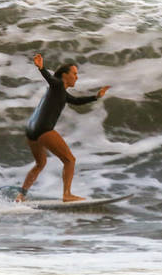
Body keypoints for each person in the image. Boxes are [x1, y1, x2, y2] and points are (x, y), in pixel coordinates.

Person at [15, 53, 109, 202]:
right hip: (43, 128)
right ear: (65, 75)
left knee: (40, 163)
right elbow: (51, 79)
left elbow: (77, 101)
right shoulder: (58, 84)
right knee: (70, 160)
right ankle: (67, 194)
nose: (76, 77)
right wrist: (41, 68)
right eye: (74, 74)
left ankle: (21, 196)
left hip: (31, 129)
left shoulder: (61, 93)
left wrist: (96, 97)